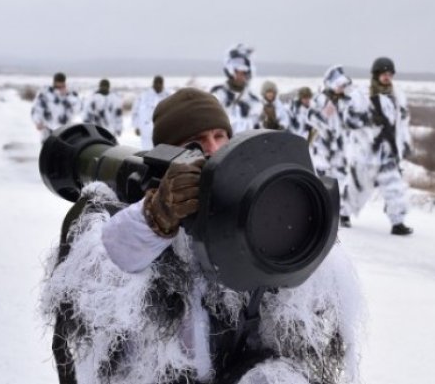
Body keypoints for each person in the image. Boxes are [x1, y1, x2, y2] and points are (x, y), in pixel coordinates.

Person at [41, 88, 362, 384]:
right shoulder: (133, 216)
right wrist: (156, 219)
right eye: (194, 142)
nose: (212, 149)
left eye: (220, 136)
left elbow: (305, 313)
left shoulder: (252, 214)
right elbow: (101, 284)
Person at [350, 57, 413, 236]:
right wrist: (368, 120)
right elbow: (350, 119)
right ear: (376, 74)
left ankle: (397, 222)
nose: (387, 77)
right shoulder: (363, 94)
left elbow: (402, 123)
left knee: (395, 187)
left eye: (389, 74)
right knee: (359, 186)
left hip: (388, 151)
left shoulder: (397, 96)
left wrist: (405, 143)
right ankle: (344, 213)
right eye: (383, 73)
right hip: (367, 151)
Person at [307, 66, 369, 229]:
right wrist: (323, 115)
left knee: (339, 181)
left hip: (340, 149)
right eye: (339, 85)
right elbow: (311, 118)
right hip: (322, 147)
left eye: (344, 86)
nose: (342, 89)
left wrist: (362, 114)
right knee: (320, 179)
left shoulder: (347, 102)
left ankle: (340, 214)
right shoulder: (320, 99)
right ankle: (316, 211)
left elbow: (354, 123)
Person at [210, 44, 263, 134]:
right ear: (230, 71)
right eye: (237, 72)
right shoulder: (218, 95)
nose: (240, 76)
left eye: (243, 73)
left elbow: (258, 129)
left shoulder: (254, 101)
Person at [30, 72, 80, 141]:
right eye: (58, 82)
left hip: (64, 130)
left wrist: (67, 96)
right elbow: (37, 108)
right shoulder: (46, 93)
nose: (59, 85)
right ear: (54, 82)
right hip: (48, 130)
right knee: (48, 150)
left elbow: (77, 108)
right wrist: (38, 121)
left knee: (63, 150)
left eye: (61, 82)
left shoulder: (70, 94)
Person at [132, 75, 170, 149]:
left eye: (160, 83)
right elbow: (135, 111)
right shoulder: (143, 96)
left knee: (161, 152)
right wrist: (136, 126)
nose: (158, 85)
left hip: (162, 130)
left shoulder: (168, 96)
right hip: (146, 130)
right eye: (156, 82)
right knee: (147, 152)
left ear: (163, 84)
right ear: (153, 83)